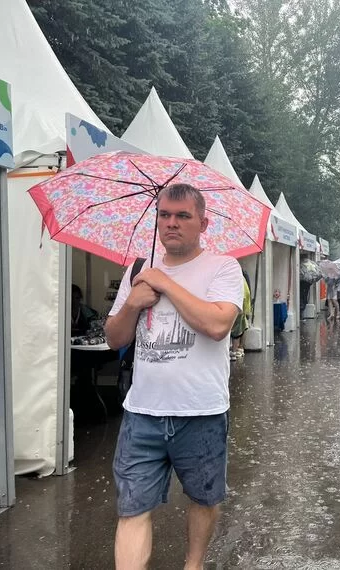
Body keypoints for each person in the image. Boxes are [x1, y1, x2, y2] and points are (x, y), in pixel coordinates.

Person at [104, 183, 242, 570]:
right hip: (142, 413)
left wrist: (165, 283)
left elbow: (217, 325)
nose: (172, 223)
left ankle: (193, 565)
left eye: (183, 216)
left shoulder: (223, 268)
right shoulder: (137, 270)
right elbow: (115, 338)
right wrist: (131, 303)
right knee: (132, 507)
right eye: (164, 215)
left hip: (201, 412)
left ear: (203, 222)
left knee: (203, 499)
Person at [230, 273, 252, 361]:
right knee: (238, 329)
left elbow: (245, 293)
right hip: (240, 306)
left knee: (237, 330)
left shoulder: (239, 278)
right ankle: (237, 350)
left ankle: (235, 350)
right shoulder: (241, 277)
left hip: (238, 307)